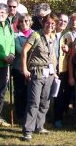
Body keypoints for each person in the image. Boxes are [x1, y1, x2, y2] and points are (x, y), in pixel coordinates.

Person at [20, 13, 59, 141]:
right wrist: (25, 68)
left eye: (53, 23)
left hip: (50, 73)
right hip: (36, 72)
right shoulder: (36, 35)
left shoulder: (53, 37)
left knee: (45, 101)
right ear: (43, 22)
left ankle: (39, 126)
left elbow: (52, 56)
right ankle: (28, 130)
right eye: (48, 22)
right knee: (33, 102)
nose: (50, 25)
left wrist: (55, 72)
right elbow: (24, 51)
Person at [0, 3, 15, 127]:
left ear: (7, 15)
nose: (0, 15)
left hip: (7, 64)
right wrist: (3, 57)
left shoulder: (9, 27)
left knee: (2, 91)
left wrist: (11, 54)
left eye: (3, 13)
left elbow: (12, 42)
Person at [53, 13, 72, 129]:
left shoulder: (67, 36)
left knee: (60, 95)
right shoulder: (50, 33)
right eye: (60, 20)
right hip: (50, 68)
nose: (62, 23)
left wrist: (68, 50)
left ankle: (58, 118)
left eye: (65, 21)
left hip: (62, 69)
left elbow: (71, 54)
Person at [12, 14, 32, 123]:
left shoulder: (35, 35)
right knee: (19, 92)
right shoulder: (15, 36)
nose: (24, 23)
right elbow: (19, 50)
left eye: (26, 21)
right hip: (18, 68)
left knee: (30, 92)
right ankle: (20, 115)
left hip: (31, 69)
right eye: (22, 21)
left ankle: (28, 115)